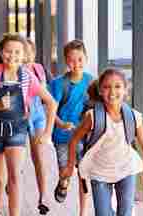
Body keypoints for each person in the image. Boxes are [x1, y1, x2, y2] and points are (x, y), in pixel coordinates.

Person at [0, 33, 57, 216]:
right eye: (8, 51)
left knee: (14, 176)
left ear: (23, 55)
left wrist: (47, 132)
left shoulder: (27, 77)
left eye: (17, 52)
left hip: (17, 130)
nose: (12, 56)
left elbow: (51, 103)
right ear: (1, 52)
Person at [60, 68, 143, 216]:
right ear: (100, 91)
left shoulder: (134, 117)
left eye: (117, 86)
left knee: (125, 212)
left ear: (125, 90)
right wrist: (70, 166)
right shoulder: (92, 117)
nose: (112, 92)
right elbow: (74, 140)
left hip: (126, 170)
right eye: (106, 87)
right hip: (100, 171)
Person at [48, 39, 93, 216]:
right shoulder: (58, 84)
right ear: (66, 61)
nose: (76, 64)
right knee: (66, 172)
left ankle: (83, 212)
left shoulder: (91, 82)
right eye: (72, 60)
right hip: (62, 136)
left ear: (86, 58)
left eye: (80, 59)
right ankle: (63, 182)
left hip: (84, 137)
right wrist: (60, 124)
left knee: (84, 176)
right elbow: (50, 111)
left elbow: (95, 107)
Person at [23, 38, 50, 215]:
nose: (26, 56)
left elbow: (46, 96)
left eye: (29, 52)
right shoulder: (14, 70)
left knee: (39, 157)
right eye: (22, 52)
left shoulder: (39, 68)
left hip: (38, 116)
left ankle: (43, 197)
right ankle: (9, 186)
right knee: (16, 159)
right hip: (18, 117)